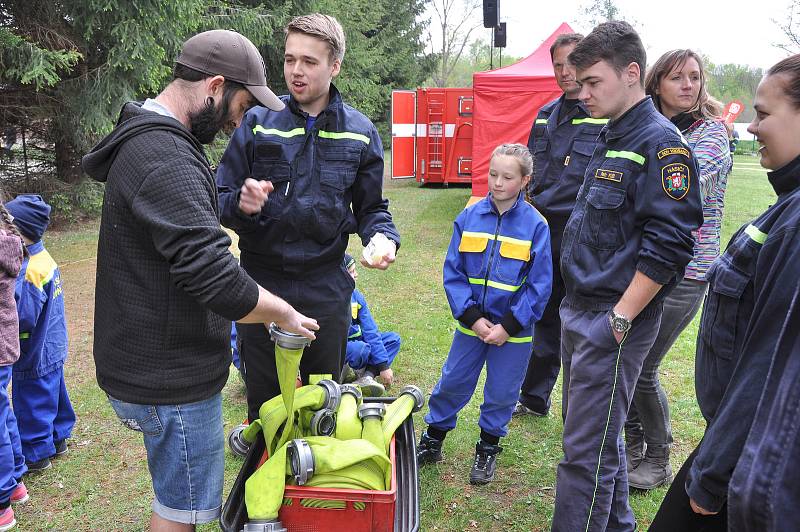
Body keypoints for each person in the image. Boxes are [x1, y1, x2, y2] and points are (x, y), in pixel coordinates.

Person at [81, 30, 318, 532]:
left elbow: (184, 229)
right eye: (240, 103)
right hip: (169, 379)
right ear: (214, 85)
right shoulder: (163, 156)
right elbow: (218, 280)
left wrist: (236, 204)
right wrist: (285, 313)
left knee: (177, 502)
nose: (241, 120)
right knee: (181, 512)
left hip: (152, 364)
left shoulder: (159, 145)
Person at [551, 22, 703, 531]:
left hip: (611, 319)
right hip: (581, 309)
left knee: (583, 457)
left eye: (593, 82)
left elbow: (672, 243)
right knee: (598, 439)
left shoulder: (663, 145)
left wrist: (619, 319)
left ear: (631, 73)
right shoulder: (611, 131)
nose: (582, 92)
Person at [216, 14, 399, 426]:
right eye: (289, 59)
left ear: (334, 65)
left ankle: (311, 482)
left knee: (323, 399)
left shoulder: (360, 132)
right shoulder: (257, 122)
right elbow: (219, 197)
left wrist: (383, 238)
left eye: (309, 62)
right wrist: (242, 205)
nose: (296, 71)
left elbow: (372, 210)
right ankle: (264, 481)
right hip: (261, 282)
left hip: (326, 283)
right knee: (265, 404)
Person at [649, 54, 800, 532]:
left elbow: (770, 364)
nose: (752, 128)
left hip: (745, 453)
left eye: (764, 113)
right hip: (735, 440)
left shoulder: (794, 227)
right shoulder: (786, 209)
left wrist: (714, 473)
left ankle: (653, 452)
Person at [624, 49, 732, 490]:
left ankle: (658, 457)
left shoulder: (711, 136)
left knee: (644, 367)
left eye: (694, 77)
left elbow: (677, 188)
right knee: (626, 360)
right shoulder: (649, 126)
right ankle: (629, 448)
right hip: (643, 263)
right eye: (676, 78)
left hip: (686, 270)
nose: (688, 85)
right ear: (657, 84)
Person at [416, 143, 552, 485]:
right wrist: (473, 319)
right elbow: (454, 273)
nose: (498, 182)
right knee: (453, 381)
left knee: (502, 392)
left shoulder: (536, 226)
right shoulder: (469, 216)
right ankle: (433, 440)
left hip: (513, 334)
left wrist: (508, 326)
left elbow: (539, 285)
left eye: (507, 177)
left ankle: (487, 449)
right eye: (493, 174)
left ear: (524, 180)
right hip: (472, 327)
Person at [515, 32, 608, 418]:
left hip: (581, 233)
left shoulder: (601, 116)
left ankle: (579, 405)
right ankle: (535, 398)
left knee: (580, 320)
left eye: (572, 62)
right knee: (543, 311)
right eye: (557, 65)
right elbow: (531, 169)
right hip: (540, 230)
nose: (564, 72)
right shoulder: (545, 113)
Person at [6, 195, 76, 473]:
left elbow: (24, 316)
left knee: (32, 400)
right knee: (55, 392)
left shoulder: (30, 270)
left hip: (34, 349)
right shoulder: (45, 258)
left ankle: (36, 452)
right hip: (54, 343)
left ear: (20, 233)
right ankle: (59, 438)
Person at [0, 193, 29, 531]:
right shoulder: (9, 243)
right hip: (5, 345)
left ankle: (2, 498)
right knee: (3, 412)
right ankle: (16, 480)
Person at [340, 253, 401, 396]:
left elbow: (371, 331)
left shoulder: (357, 297)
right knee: (359, 349)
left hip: (360, 343)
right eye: (352, 271)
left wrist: (383, 366)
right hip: (339, 350)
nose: (356, 275)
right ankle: (340, 373)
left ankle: (367, 376)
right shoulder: (330, 299)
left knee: (393, 339)